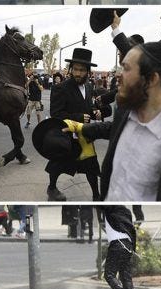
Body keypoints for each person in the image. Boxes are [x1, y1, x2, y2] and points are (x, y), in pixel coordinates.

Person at [65, 42, 161, 205]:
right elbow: (112, 128)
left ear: (152, 79)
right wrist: (82, 128)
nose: (118, 76)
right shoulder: (124, 111)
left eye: (126, 69)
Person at [45, 48, 110, 204]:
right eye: (75, 69)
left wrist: (95, 112)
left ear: (88, 71)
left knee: (91, 166)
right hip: (66, 135)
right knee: (57, 164)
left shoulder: (88, 87)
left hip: (85, 135)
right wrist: (78, 117)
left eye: (82, 70)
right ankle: (52, 188)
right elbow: (56, 113)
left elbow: (87, 108)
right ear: (71, 69)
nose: (78, 73)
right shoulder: (60, 88)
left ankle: (96, 196)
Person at [100, 206, 137, 289]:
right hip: (128, 244)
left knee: (109, 274)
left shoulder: (110, 208)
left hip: (118, 244)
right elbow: (132, 229)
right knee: (125, 276)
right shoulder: (126, 211)